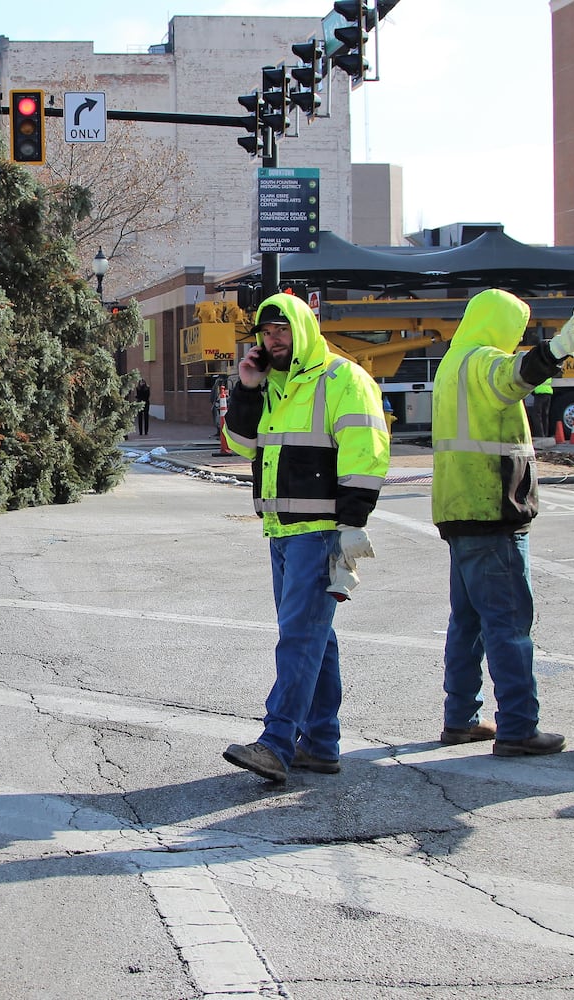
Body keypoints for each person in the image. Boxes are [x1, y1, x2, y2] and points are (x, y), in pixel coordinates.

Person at [219, 292, 390, 783]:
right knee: (316, 638)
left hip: (317, 533)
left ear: (304, 330)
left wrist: (351, 525)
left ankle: (276, 743)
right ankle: (320, 742)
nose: (273, 341)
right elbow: (240, 444)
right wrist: (248, 390)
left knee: (300, 637)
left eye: (282, 331)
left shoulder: (343, 379)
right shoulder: (271, 383)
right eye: (266, 334)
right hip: (281, 530)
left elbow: (367, 451)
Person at [432, 289, 574, 757]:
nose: (518, 337)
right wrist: (556, 350)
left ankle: (461, 718)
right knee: (508, 625)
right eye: (518, 328)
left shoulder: (453, 362)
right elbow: (514, 377)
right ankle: (519, 727)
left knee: (467, 624)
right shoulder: (485, 360)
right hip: (493, 509)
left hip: (460, 510)